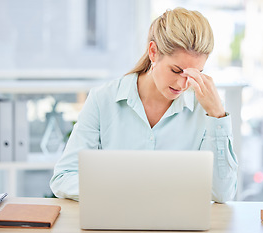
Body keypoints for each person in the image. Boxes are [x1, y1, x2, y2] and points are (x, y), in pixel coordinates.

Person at [50, 7, 238, 203]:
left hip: (178, 231)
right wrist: (120, 193)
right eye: (176, 70)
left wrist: (217, 116)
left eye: (194, 74)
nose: (183, 85)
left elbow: (222, 193)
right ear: (153, 52)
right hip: (116, 226)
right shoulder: (102, 100)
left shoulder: (206, 110)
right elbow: (64, 177)